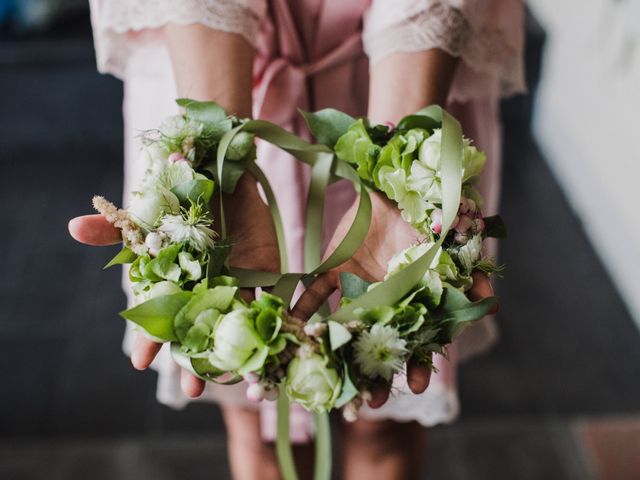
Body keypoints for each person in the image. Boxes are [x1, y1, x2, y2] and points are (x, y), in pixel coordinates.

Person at [69, 1, 525, 478]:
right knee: (257, 419)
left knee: (385, 421)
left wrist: (400, 170)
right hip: (210, 61)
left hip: (405, 72)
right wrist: (217, 160)